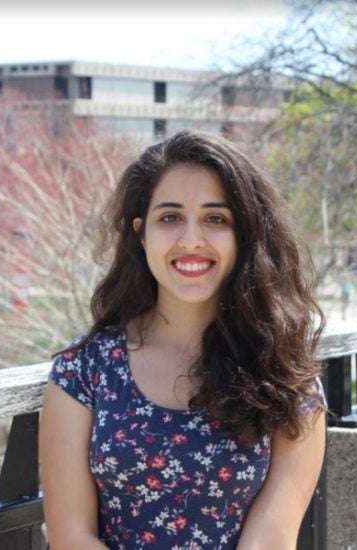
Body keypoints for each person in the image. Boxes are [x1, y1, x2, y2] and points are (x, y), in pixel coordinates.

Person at [39, 130, 327, 549]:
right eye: (170, 217)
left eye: (216, 218)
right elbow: (71, 537)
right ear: (141, 233)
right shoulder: (84, 371)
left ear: (245, 234)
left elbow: (272, 538)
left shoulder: (287, 377)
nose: (191, 240)